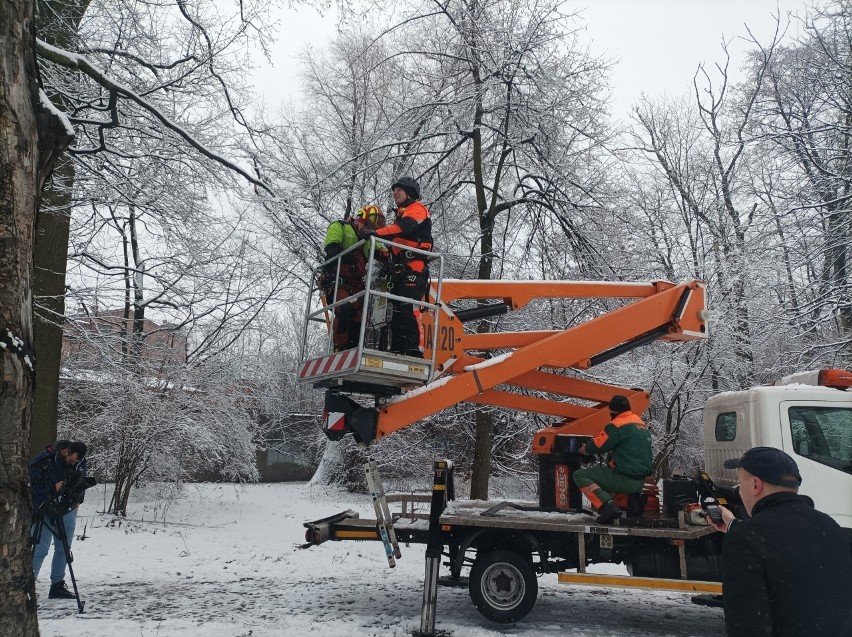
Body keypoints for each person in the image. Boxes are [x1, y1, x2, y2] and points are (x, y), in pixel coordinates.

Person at [708, 446, 852, 637]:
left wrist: (739, 532)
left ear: (755, 485)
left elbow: (748, 627)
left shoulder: (745, 540)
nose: (739, 493)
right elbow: (785, 544)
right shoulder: (830, 526)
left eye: (740, 486)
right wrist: (733, 525)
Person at [359, 176, 433, 357]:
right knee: (397, 312)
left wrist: (375, 233)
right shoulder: (400, 216)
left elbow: (404, 228)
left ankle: (415, 350)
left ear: (410, 192)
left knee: (409, 308)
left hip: (413, 268)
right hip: (399, 271)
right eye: (394, 191)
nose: (394, 193)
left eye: (398, 190)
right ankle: (400, 349)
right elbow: (393, 245)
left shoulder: (417, 209)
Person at [573, 395, 652, 524]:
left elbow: (600, 445)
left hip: (624, 479)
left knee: (580, 475)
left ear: (613, 411)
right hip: (639, 482)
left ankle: (607, 506)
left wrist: (585, 449)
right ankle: (627, 504)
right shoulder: (639, 423)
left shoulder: (617, 425)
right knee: (607, 470)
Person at [320, 205, 386, 351]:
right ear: (361, 218)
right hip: (337, 281)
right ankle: (340, 347)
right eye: (369, 223)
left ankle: (354, 348)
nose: (369, 227)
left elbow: (384, 251)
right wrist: (350, 258)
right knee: (344, 310)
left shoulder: (368, 240)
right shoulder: (340, 226)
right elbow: (331, 248)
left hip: (356, 285)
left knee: (359, 318)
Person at [30, 440, 89, 600]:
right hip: (46, 507)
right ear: (66, 451)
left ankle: (57, 585)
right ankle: (28, 587)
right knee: (40, 549)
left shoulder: (81, 463)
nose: (73, 462)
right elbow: (33, 481)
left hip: (68, 507)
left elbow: (81, 480)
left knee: (64, 547)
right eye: (71, 459)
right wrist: (52, 487)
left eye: (77, 461)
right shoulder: (47, 458)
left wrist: (78, 498)